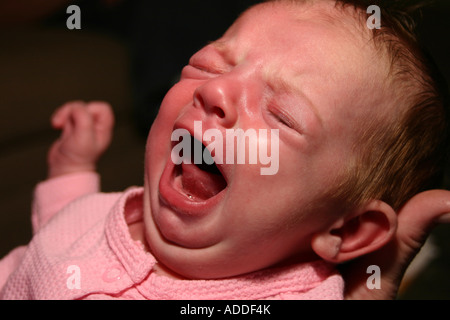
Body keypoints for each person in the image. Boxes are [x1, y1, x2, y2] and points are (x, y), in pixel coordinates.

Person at [1, 0, 449, 299]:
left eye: (282, 115)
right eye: (207, 66)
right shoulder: (115, 209)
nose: (215, 91)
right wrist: (72, 167)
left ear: (348, 230)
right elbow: (66, 225)